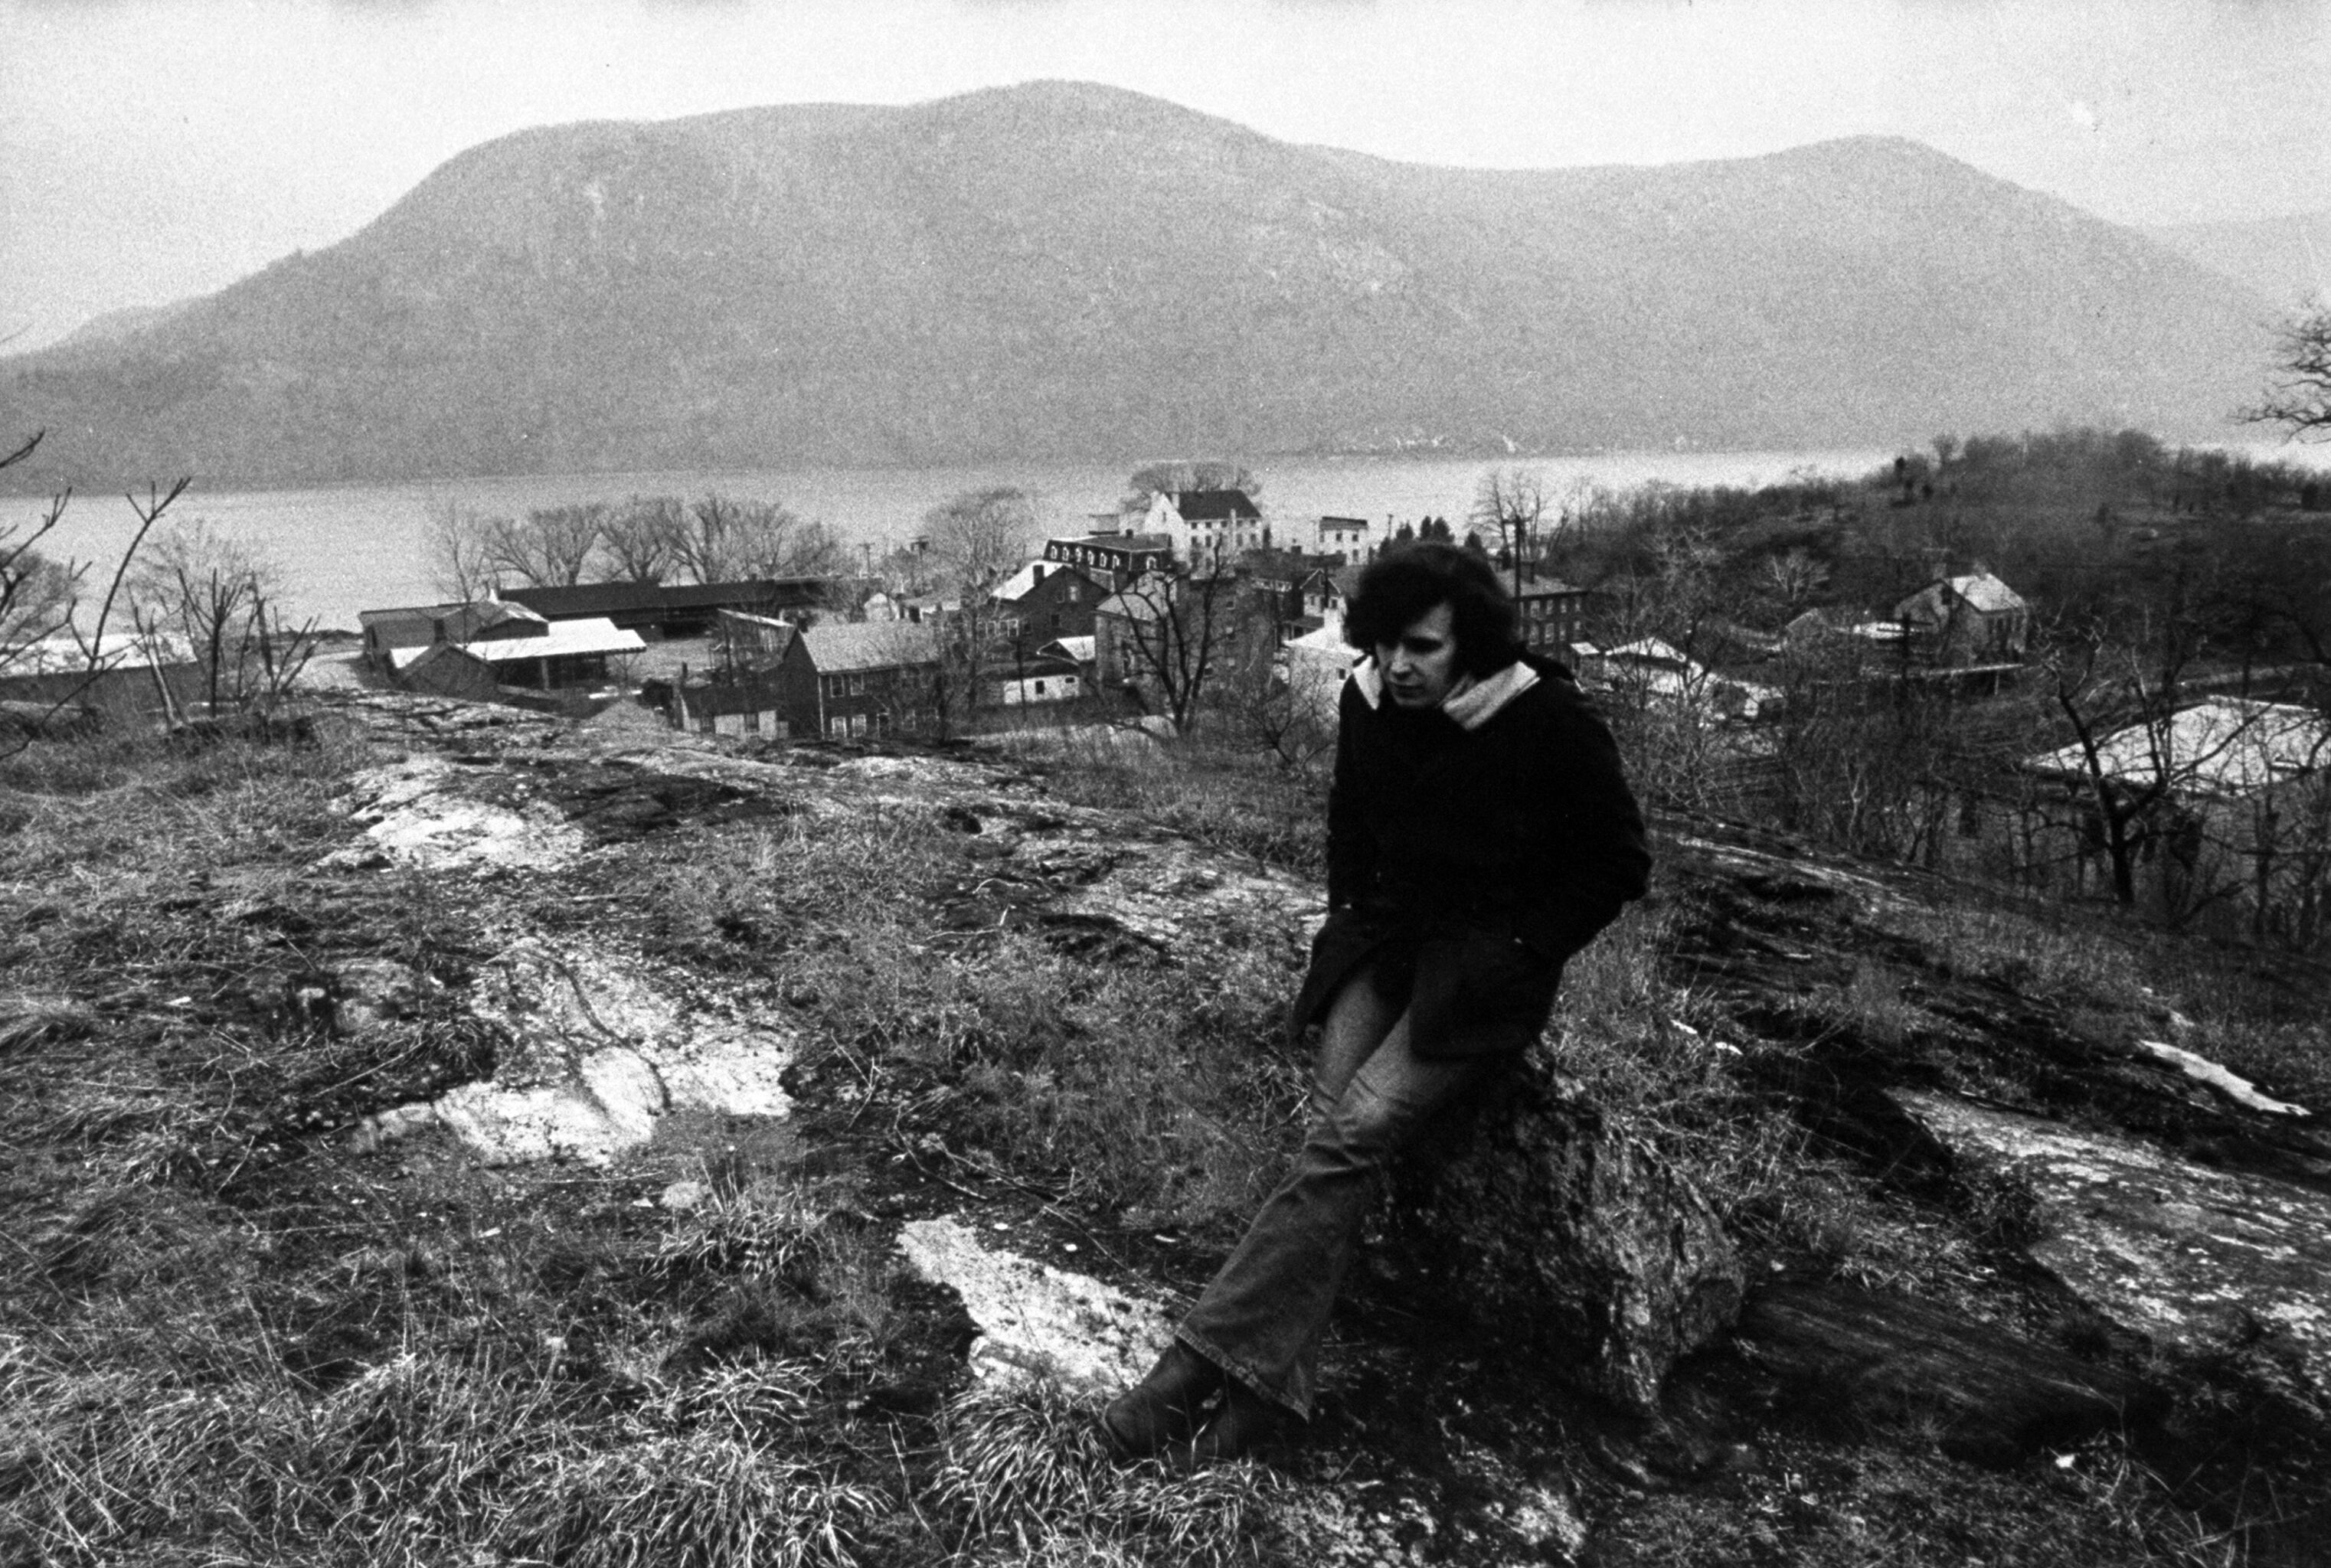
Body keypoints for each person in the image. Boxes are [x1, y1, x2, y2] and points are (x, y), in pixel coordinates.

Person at [1102, 541, 1650, 1465]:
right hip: (1387, 944)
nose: (1399, 666)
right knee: (1330, 1138)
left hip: (1479, 975)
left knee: (1353, 1133)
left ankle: (1188, 1371)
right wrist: (1348, 912)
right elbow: (1346, 819)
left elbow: (1617, 862)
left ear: (1467, 643)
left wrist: (1523, 947)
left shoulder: (1546, 717)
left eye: (1424, 647)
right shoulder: (1366, 701)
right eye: (1387, 643)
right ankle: (1278, 1387)